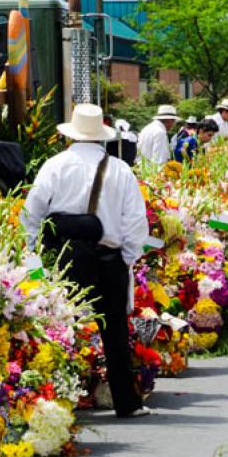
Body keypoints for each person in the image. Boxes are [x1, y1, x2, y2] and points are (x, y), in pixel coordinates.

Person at [22, 103, 150, 418]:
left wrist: (33, 256)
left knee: (57, 328)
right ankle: (125, 401)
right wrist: (126, 259)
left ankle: (54, 401)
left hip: (65, 260)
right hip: (108, 258)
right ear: (101, 136)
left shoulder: (54, 165)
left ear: (72, 134)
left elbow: (31, 215)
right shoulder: (119, 169)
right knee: (115, 331)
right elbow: (136, 223)